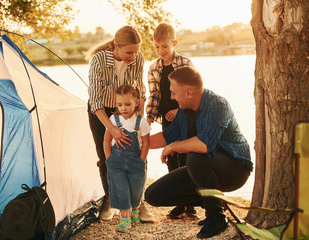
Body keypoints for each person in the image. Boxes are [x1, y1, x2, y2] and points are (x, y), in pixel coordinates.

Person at [145, 66, 253, 239]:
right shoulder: (184, 110)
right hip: (203, 169)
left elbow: (203, 145)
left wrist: (174, 147)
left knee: (195, 156)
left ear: (189, 93)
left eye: (173, 92)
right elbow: (167, 137)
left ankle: (216, 218)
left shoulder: (218, 104)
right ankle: (214, 202)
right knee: (153, 195)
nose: (171, 97)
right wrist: (135, 142)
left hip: (235, 170)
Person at [87, 25, 154, 222]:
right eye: (129, 52)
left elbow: (140, 91)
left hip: (130, 109)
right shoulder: (99, 60)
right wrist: (112, 129)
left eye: (136, 51)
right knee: (106, 156)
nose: (133, 56)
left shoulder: (138, 58)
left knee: (137, 152)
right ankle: (110, 200)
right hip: (102, 112)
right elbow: (95, 101)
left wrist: (138, 120)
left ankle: (138, 202)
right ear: (116, 46)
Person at [146, 23, 197, 219]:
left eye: (165, 47)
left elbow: (193, 91)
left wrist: (179, 109)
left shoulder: (185, 63)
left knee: (186, 157)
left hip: (185, 115)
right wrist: (149, 117)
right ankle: (179, 203)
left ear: (174, 43)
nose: (161, 51)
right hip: (166, 118)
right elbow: (154, 95)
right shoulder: (154, 68)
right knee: (170, 157)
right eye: (157, 47)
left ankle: (191, 204)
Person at [103, 85, 151, 232]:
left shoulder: (140, 121)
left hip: (135, 160)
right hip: (116, 161)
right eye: (119, 105)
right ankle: (125, 218)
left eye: (127, 104)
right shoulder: (113, 119)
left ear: (136, 102)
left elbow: (146, 142)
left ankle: (135, 209)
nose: (123, 108)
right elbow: (106, 141)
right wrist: (109, 159)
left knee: (136, 188)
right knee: (121, 188)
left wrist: (141, 160)